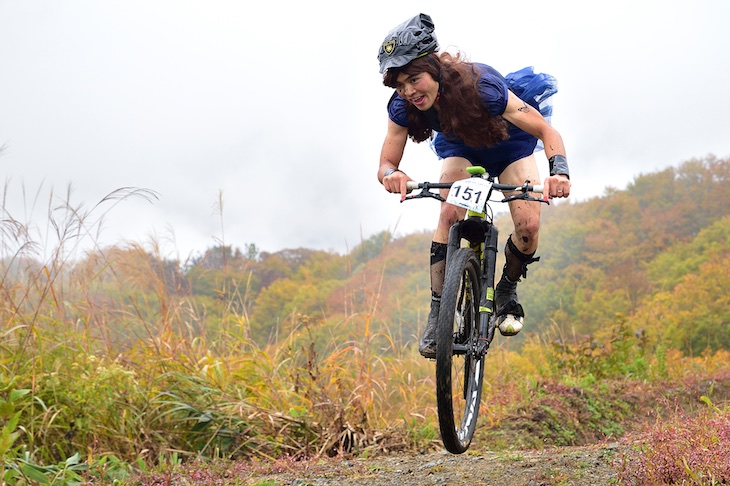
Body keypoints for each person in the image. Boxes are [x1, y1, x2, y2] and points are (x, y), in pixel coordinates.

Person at [376, 13, 571, 358]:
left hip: (510, 145)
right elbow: (387, 163)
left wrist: (559, 172)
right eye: (399, 85)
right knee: (449, 213)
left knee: (528, 224)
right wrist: (393, 174)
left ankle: (507, 288)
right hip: (462, 147)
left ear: (434, 68)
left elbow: (545, 131)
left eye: (414, 79)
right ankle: (438, 314)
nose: (408, 91)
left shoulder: (482, 87)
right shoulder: (403, 106)